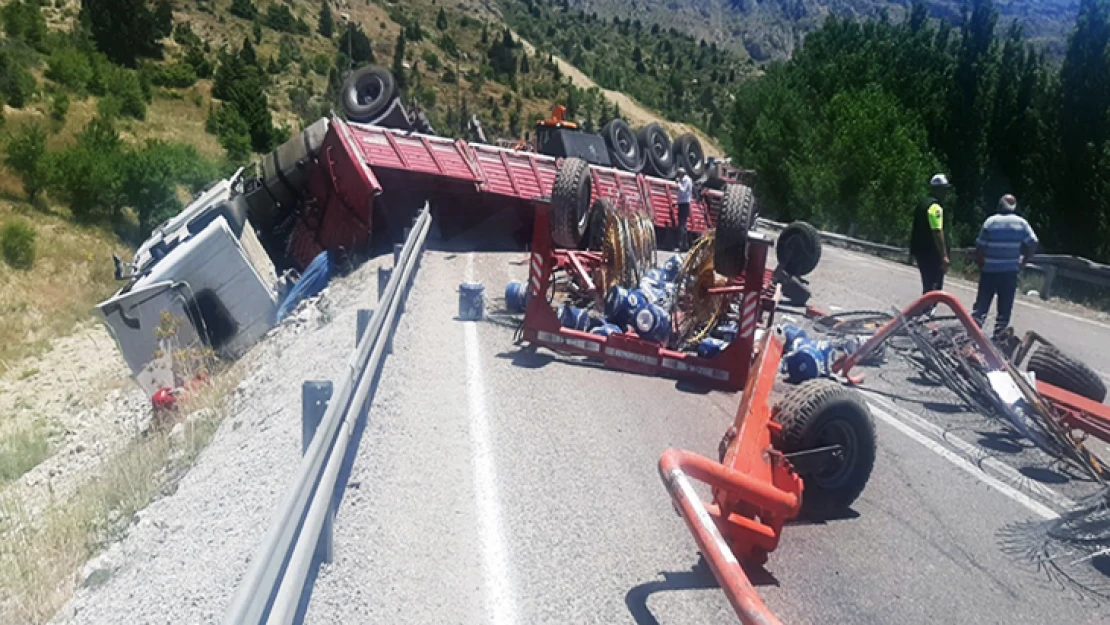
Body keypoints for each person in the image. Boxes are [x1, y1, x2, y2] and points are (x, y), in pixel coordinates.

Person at [972, 194, 1038, 338]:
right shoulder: (1022, 223)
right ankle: (998, 340)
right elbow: (1033, 242)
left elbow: (980, 247)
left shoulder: (990, 222)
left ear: (1000, 205)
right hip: (1009, 272)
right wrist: (1024, 260)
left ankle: (972, 336)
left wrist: (980, 263)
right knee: (1004, 310)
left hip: (989, 270)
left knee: (981, 307)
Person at [910, 174, 952, 296]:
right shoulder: (935, 207)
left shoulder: (922, 203)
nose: (946, 193)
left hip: (920, 251)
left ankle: (923, 308)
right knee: (935, 285)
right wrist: (944, 255)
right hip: (932, 253)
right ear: (937, 190)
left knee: (927, 283)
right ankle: (928, 310)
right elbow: (937, 231)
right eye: (944, 189)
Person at [675, 167, 693, 251]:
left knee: (683, 225)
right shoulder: (684, 180)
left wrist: (678, 184)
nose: (678, 177)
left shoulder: (687, 181)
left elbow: (683, 191)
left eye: (679, 175)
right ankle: (683, 244)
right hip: (682, 203)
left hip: (685, 204)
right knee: (681, 224)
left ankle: (683, 245)